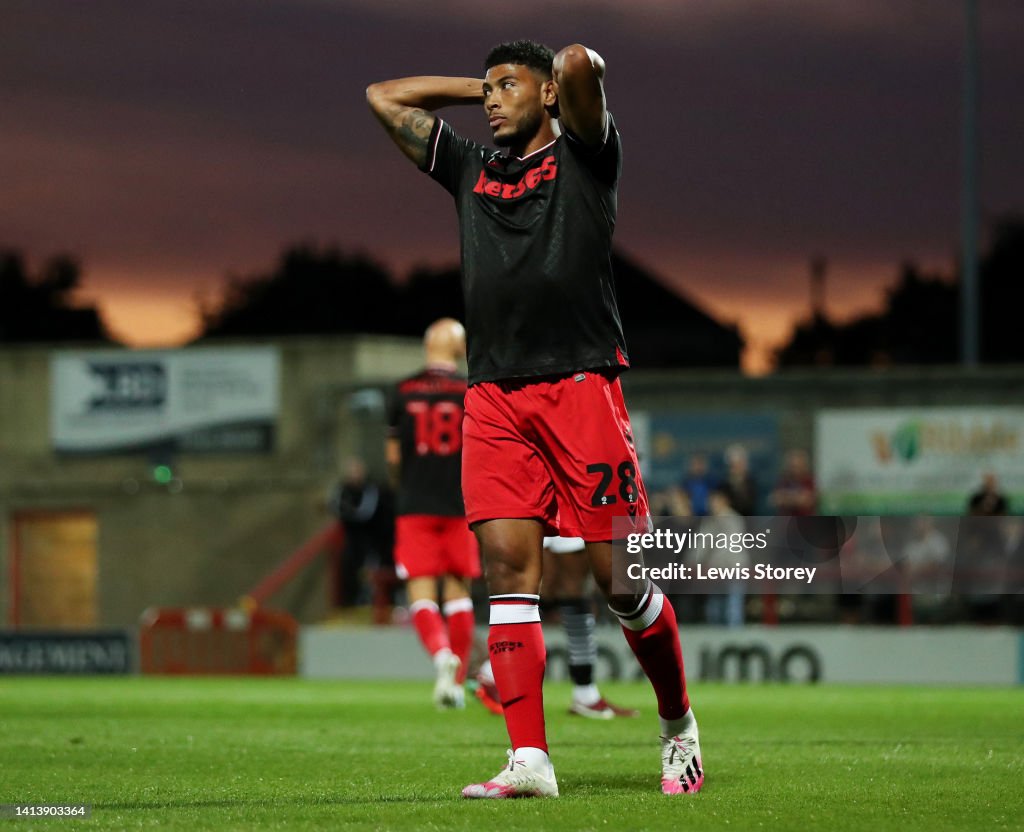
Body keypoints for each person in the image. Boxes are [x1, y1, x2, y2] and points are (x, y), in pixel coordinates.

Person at [368, 40, 702, 798]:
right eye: (485, 90)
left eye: (506, 86)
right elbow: (383, 96)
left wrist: (554, 73)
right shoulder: (468, 167)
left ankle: (677, 723)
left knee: (622, 584)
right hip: (493, 398)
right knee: (507, 577)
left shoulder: (587, 157)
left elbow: (584, 64)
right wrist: (480, 84)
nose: (489, 100)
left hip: (583, 391)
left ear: (549, 95)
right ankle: (530, 760)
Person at [387, 319, 479, 710]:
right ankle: (456, 684)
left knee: (421, 593)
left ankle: (442, 655)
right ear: (457, 348)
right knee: (458, 594)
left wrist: (405, 484)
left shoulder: (402, 391)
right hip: (461, 505)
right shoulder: (469, 392)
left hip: (415, 506)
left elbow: (394, 457)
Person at [474, 535, 640, 719]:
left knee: (560, 588)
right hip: (545, 509)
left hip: (558, 509)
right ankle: (494, 669)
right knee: (546, 585)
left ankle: (585, 694)